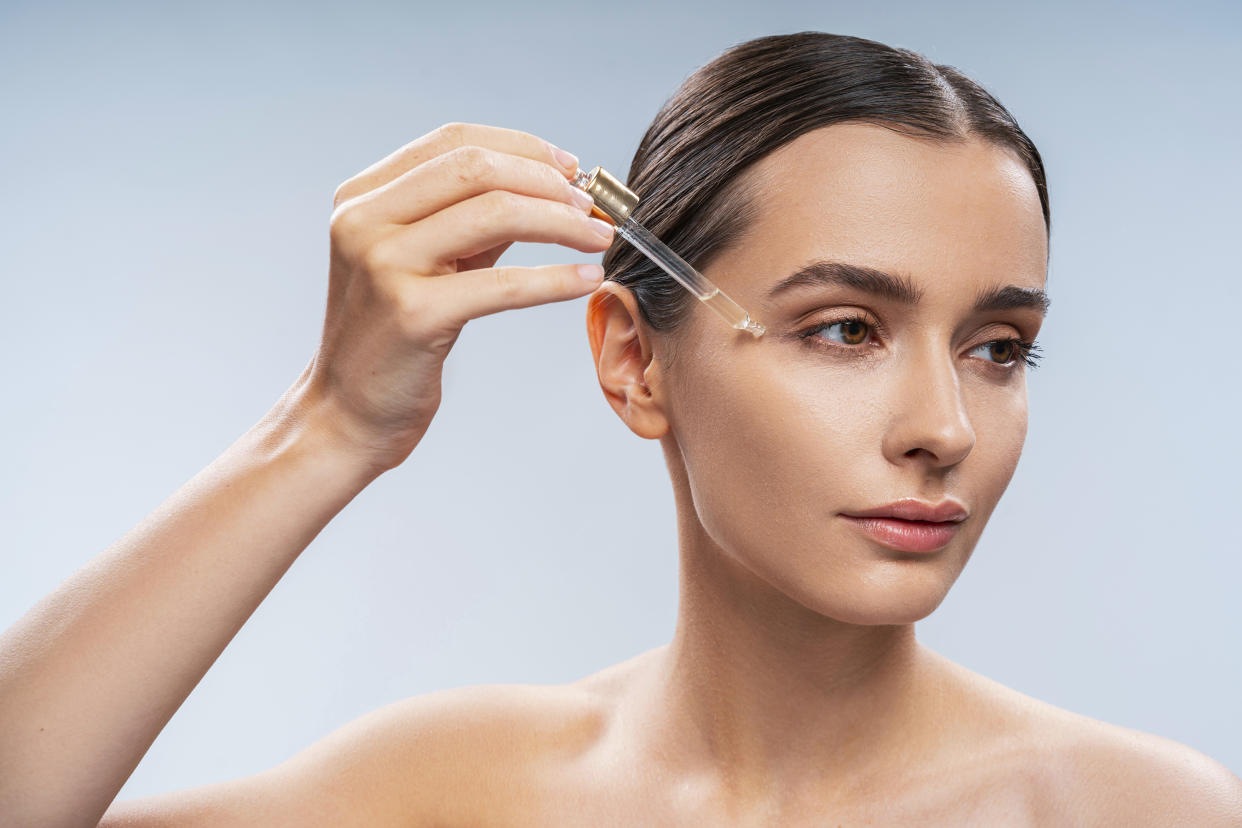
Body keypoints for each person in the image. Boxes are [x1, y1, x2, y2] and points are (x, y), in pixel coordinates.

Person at [2, 30, 1239, 827]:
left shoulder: (1141, 812)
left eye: (998, 348)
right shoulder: (454, 795)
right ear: (635, 359)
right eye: (846, 329)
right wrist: (325, 427)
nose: (945, 427)